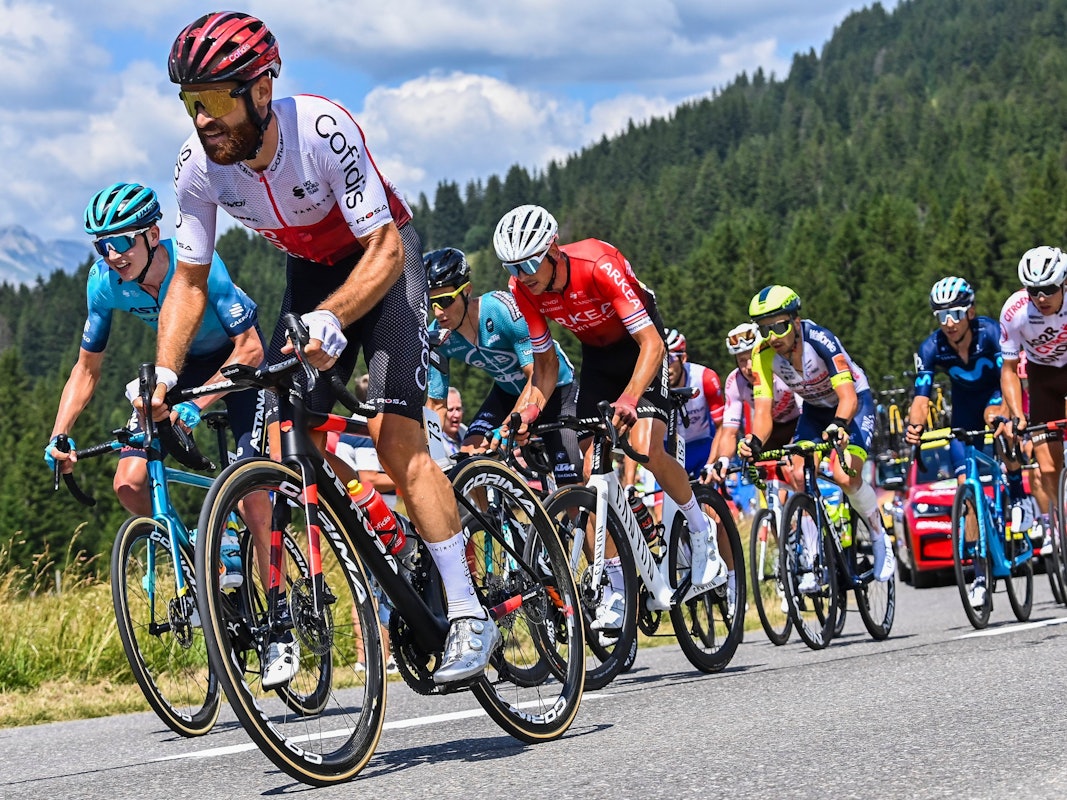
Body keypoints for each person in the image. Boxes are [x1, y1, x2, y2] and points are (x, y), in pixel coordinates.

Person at [156, 12, 497, 689]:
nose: (203, 120)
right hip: (309, 276)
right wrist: (164, 375)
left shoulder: (320, 129)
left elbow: (384, 249)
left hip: (383, 260)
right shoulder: (199, 170)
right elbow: (188, 282)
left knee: (392, 433)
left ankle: (467, 611)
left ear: (261, 89)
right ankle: (385, 533)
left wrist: (336, 318)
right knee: (288, 435)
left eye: (219, 100)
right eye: (192, 103)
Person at [494, 203, 727, 636]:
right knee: (589, 476)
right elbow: (544, 368)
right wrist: (525, 412)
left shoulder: (597, 265)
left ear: (553, 249)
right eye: (513, 266)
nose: (523, 274)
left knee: (644, 445)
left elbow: (652, 344)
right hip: (598, 360)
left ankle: (701, 533)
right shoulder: (522, 287)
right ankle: (618, 585)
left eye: (529, 262)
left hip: (642, 350)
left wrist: (631, 398)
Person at [44, 182, 270, 591]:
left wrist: (197, 407)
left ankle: (281, 613)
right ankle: (207, 560)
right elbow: (86, 369)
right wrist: (60, 433)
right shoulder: (103, 283)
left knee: (250, 494)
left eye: (121, 242)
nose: (113, 256)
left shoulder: (197, 263)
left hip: (234, 362)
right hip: (176, 367)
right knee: (129, 484)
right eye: (102, 246)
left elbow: (251, 348)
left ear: (151, 235)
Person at [737, 285, 895, 591]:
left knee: (845, 476)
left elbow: (847, 397)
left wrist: (839, 425)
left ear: (796, 322)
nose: (773, 337)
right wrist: (754, 441)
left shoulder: (820, 340)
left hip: (852, 404)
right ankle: (814, 555)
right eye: (764, 330)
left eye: (779, 327)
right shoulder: (762, 355)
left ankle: (878, 535)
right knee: (797, 473)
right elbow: (763, 413)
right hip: (814, 410)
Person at [425, 246, 581, 485]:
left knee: (571, 485)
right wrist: (431, 457)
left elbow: (536, 375)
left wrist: (509, 425)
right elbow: (436, 404)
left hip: (553, 388)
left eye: (445, 300)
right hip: (507, 392)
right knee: (467, 461)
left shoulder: (501, 311)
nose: (438, 312)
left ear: (467, 291)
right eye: (431, 302)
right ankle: (495, 521)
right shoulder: (439, 336)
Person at [1001, 247, 1067, 573]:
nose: (1042, 298)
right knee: (1048, 465)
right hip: (1042, 378)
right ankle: (1057, 523)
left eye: (1049, 290)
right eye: (1033, 291)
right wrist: (1017, 413)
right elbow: (1009, 370)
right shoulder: (1015, 312)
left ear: (1063, 283)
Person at [707, 322, 801, 497]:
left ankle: (807, 515)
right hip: (770, 430)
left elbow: (805, 411)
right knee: (767, 482)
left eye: (752, 357)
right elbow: (729, 432)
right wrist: (724, 459)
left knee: (796, 472)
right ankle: (777, 520)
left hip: (797, 423)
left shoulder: (782, 368)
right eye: (742, 360)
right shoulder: (735, 382)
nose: (749, 366)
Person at [662, 327, 726, 479]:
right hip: (666, 449)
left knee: (710, 497)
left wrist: (711, 464)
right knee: (661, 504)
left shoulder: (705, 378)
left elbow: (722, 426)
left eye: (669, 359)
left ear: (683, 358)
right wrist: (630, 482)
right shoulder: (650, 383)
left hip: (702, 446)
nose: (665, 367)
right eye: (659, 360)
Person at [440, 387, 467, 457]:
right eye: (451, 410)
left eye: (458, 409)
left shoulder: (466, 431)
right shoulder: (433, 440)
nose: (457, 415)